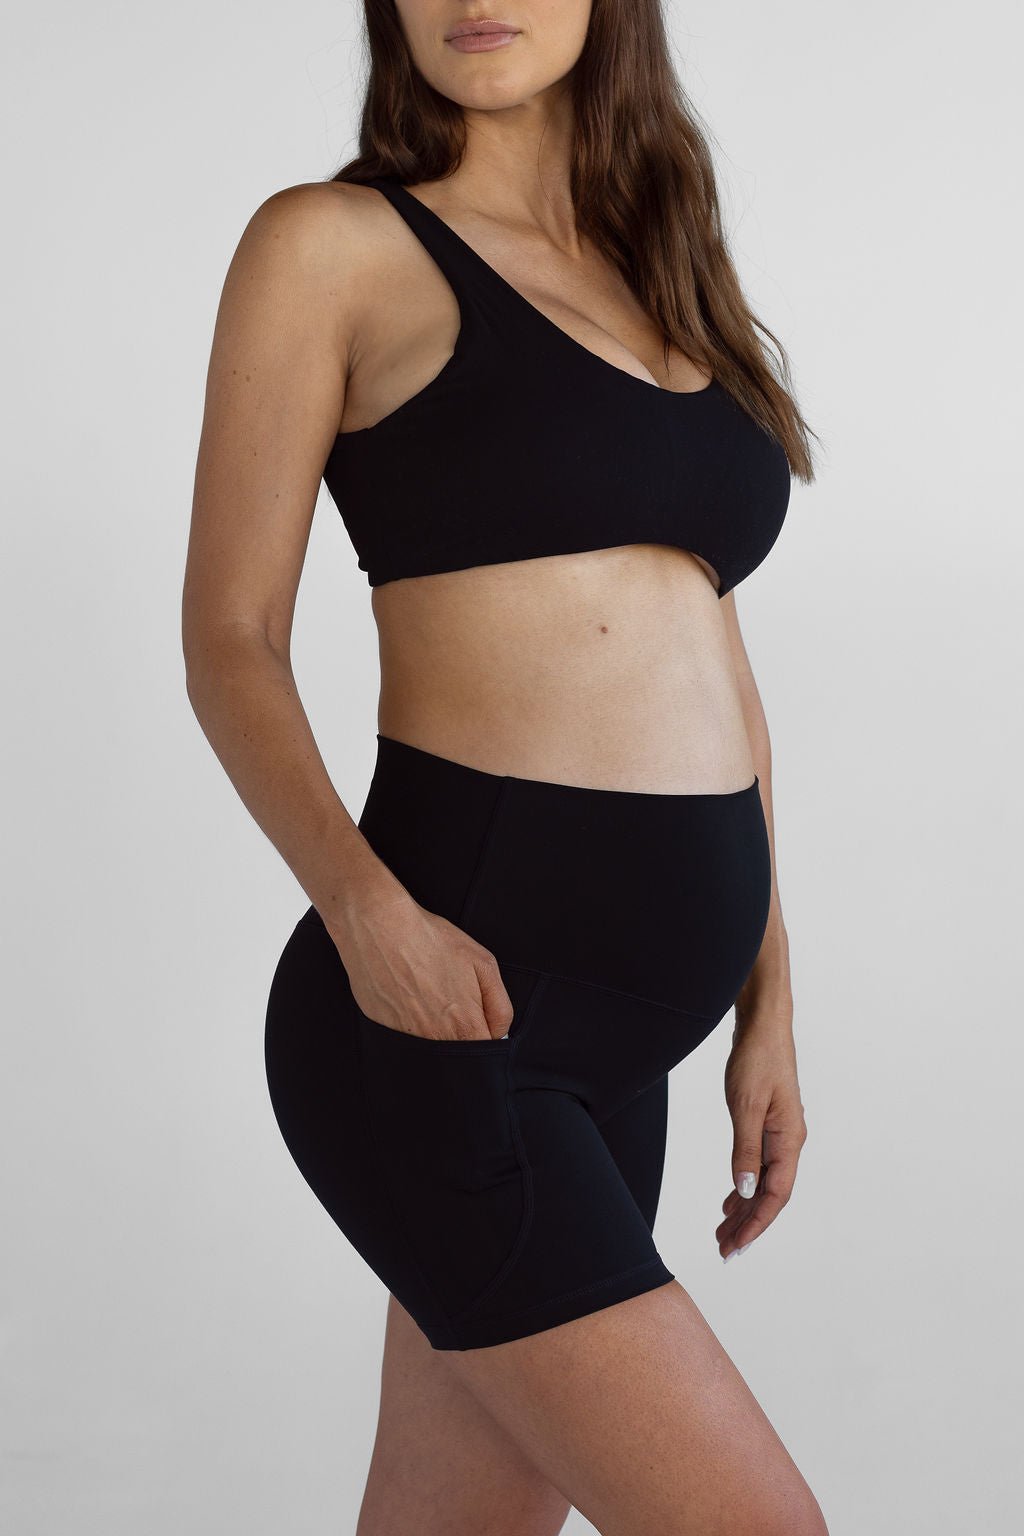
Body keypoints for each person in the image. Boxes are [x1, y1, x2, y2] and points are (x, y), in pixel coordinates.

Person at [182, 3, 828, 1532]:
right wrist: (365, 917)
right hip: (448, 1023)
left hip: (624, 1057)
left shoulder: (663, 272)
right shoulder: (332, 247)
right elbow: (229, 637)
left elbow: (715, 665)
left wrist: (770, 1002)